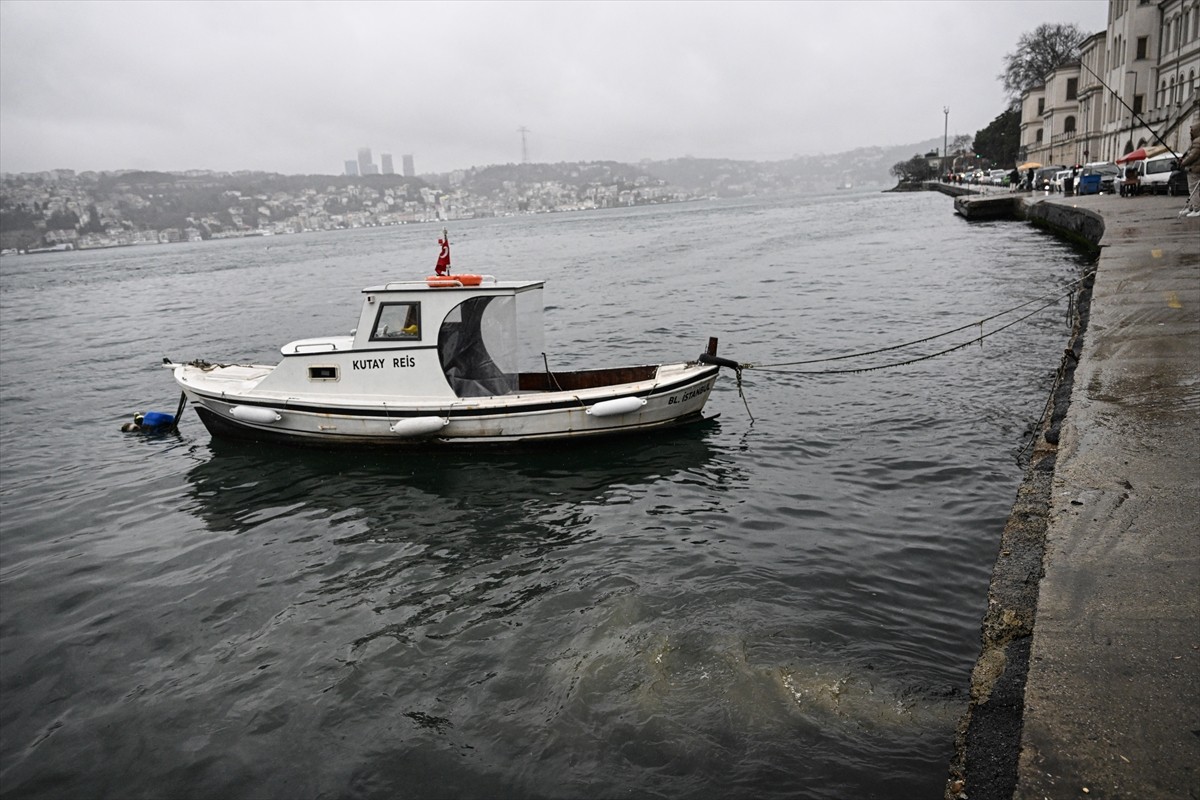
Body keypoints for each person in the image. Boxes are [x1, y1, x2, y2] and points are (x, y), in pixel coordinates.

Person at [1178, 121, 1200, 218]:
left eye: (1192, 131)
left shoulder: (1197, 141)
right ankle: (1192, 207)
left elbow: (1193, 156)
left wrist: (1183, 162)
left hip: (1194, 169)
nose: (1190, 133)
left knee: (1193, 189)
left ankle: (1196, 208)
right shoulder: (1196, 141)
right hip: (1194, 168)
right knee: (1193, 189)